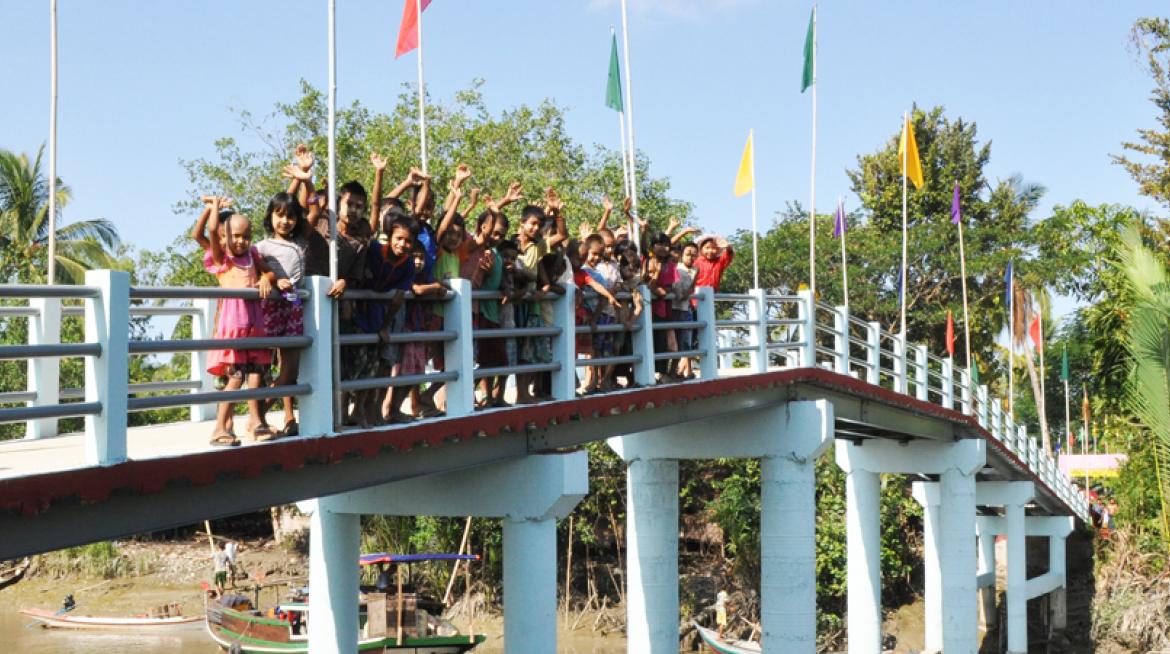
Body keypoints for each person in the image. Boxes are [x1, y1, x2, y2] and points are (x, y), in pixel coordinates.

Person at [199, 197, 277, 445]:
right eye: (235, 236)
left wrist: (266, 278)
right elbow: (210, 230)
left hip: (254, 325)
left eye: (245, 236)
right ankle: (220, 427)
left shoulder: (252, 256)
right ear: (225, 237)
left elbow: (270, 272)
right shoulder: (224, 259)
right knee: (235, 377)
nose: (240, 241)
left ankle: (256, 422)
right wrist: (213, 208)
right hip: (234, 327)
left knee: (256, 375)